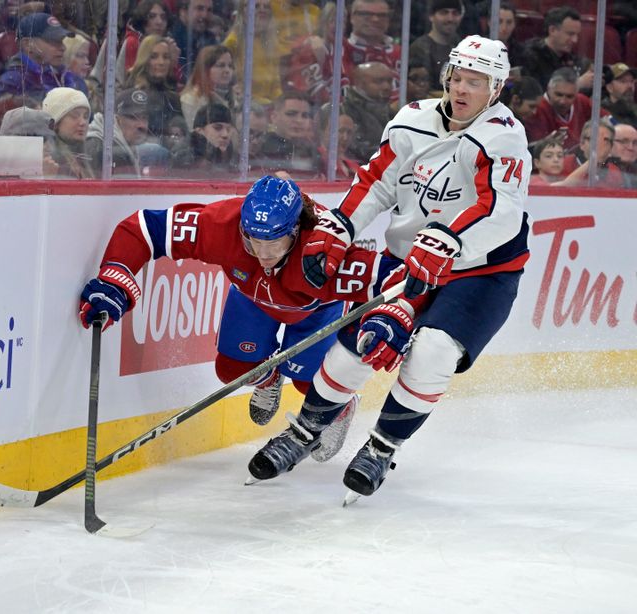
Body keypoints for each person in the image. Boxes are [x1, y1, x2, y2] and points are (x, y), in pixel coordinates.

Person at [250, 35, 531, 500]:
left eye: (475, 83)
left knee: (434, 351)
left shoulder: (502, 136)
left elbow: (500, 209)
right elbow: (376, 183)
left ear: (495, 90)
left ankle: (382, 447)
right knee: (357, 345)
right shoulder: (412, 121)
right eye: (457, 78)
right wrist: (342, 225)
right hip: (407, 260)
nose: (461, 90)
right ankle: (305, 431)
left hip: (481, 271)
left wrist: (449, 238)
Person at [78, 175, 419, 458]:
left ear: (296, 231)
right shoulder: (221, 226)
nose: (262, 254)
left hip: (316, 311)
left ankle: (341, 408)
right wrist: (115, 277)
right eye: (252, 240)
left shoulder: (323, 250)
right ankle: (268, 380)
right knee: (231, 369)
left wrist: (394, 317)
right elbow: (142, 229)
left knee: (309, 385)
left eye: (274, 242)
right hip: (252, 299)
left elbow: (398, 279)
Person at [0, 12, 87, 104]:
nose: (63, 47)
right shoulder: (12, 83)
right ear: (27, 44)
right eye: (53, 41)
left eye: (61, 41)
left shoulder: (68, 79)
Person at [520, 6, 585, 90]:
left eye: (577, 35)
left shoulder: (571, 58)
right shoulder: (530, 56)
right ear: (552, 30)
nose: (575, 40)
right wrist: (577, 84)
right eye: (570, 34)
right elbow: (534, 92)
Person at [409, 0, 463, 95]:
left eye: (455, 13)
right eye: (444, 13)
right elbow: (422, 90)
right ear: (431, 16)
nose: (450, 18)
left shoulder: (461, 46)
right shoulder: (420, 48)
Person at [42, 86, 95, 179]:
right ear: (55, 122)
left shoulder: (88, 157)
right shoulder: (48, 160)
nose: (83, 122)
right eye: (75, 116)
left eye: (86, 116)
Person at [611, 122, 637, 188]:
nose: (630, 147)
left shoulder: (634, 171)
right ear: (610, 144)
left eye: (635, 143)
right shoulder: (598, 168)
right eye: (624, 141)